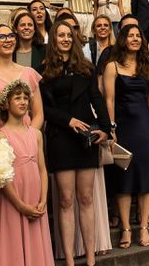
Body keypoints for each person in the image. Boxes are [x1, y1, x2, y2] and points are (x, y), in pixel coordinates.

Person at [41, 22, 111, 266]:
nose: (65, 39)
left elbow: (97, 99)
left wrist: (106, 128)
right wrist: (68, 120)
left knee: (86, 198)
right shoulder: (45, 71)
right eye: (60, 35)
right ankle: (69, 260)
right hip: (61, 139)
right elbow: (44, 109)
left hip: (85, 140)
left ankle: (91, 259)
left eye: (69, 35)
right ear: (54, 39)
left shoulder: (86, 69)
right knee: (65, 200)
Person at [104, 25, 149, 248]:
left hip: (144, 127)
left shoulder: (148, 65)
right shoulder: (112, 66)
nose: (135, 39)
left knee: (146, 177)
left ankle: (144, 226)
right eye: (131, 35)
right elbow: (109, 99)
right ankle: (126, 228)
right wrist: (111, 128)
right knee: (123, 178)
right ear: (123, 39)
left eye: (138, 36)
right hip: (123, 126)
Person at [0, 80, 53, 266]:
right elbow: (2, 177)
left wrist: (43, 200)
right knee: (15, 240)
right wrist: (20, 206)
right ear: (6, 104)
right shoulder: (1, 135)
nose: (23, 101)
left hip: (35, 197)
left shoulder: (35, 134)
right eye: (17, 98)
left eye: (26, 98)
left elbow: (42, 169)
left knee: (36, 237)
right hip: (15, 199)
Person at [0, 24, 44, 128]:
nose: (8, 40)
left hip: (27, 136)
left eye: (11, 35)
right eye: (1, 37)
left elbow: (38, 114)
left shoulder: (29, 73)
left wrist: (30, 135)